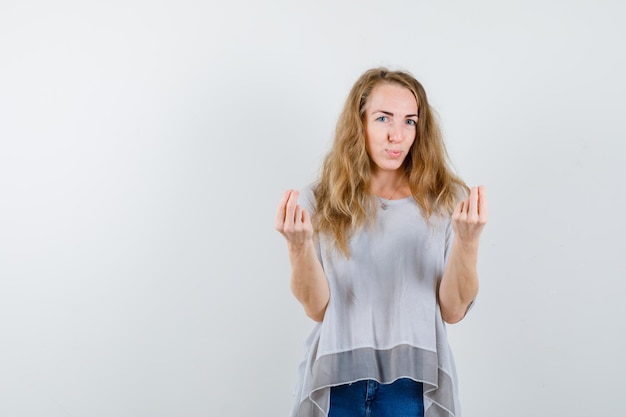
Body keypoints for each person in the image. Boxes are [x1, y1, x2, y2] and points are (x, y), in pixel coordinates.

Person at [275, 67, 487, 417]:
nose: (397, 135)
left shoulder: (448, 200)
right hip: (336, 384)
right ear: (359, 123)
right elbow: (316, 308)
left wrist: (467, 242)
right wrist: (298, 248)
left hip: (412, 387)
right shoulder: (321, 200)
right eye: (383, 118)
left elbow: (453, 310)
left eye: (409, 121)